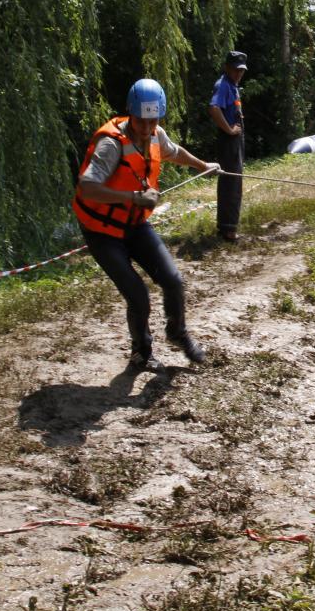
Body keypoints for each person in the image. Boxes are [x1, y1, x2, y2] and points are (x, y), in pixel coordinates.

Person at [73, 79, 220, 372]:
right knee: (138, 295)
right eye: (141, 120)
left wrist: (202, 165)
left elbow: (173, 151)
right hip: (102, 232)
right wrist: (134, 197)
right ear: (130, 113)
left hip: (135, 225)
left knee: (173, 280)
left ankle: (177, 333)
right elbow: (87, 187)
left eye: (153, 120)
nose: (146, 127)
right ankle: (142, 352)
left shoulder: (155, 134)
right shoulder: (111, 144)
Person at [209, 51, 247, 242]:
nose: (238, 74)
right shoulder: (223, 85)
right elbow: (214, 109)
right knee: (231, 183)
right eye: (235, 70)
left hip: (235, 141)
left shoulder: (232, 85)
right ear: (227, 68)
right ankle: (228, 230)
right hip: (228, 142)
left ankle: (227, 226)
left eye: (241, 71)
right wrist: (230, 130)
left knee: (234, 182)